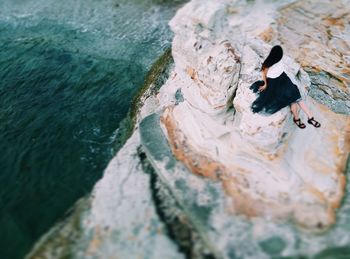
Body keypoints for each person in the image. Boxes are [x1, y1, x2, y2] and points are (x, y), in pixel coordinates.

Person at [249, 45, 321, 129]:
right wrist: (265, 84)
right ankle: (299, 118)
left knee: (297, 98)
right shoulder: (267, 64)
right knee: (293, 100)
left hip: (284, 79)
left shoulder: (277, 60)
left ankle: (310, 118)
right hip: (274, 83)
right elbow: (264, 75)